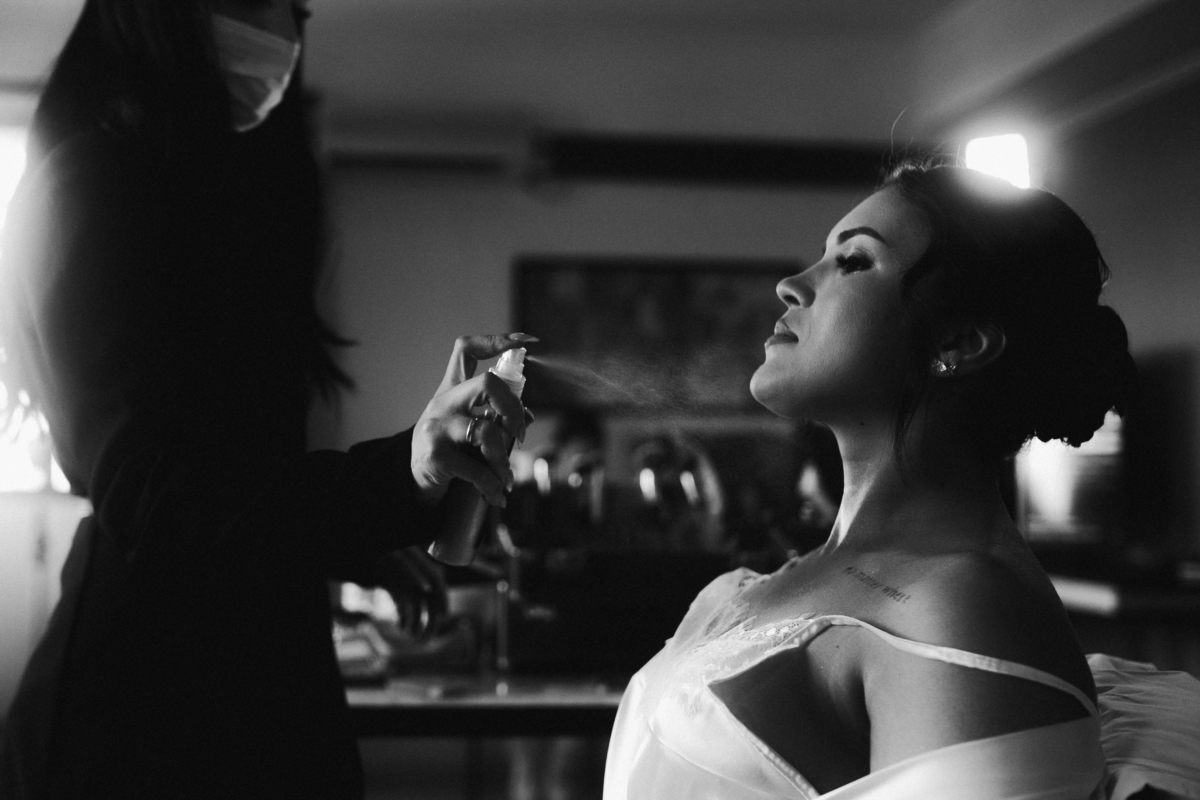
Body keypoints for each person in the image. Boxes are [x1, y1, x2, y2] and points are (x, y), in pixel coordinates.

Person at [0, 1, 532, 797]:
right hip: (146, 718)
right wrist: (397, 476)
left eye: (298, 8)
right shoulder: (94, 180)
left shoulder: (216, 195)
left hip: (257, 686)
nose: (285, 28)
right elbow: (158, 500)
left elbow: (232, 473)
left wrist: (353, 544)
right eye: (260, 0)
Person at [604, 163, 1200, 799]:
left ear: (959, 341)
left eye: (853, 261)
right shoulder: (799, 577)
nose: (790, 286)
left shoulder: (959, 608)